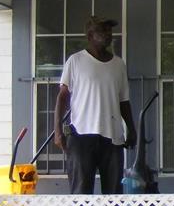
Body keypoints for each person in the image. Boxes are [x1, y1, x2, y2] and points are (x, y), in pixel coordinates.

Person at [54, 15, 137, 194]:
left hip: (113, 137)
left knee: (114, 195)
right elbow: (62, 97)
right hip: (82, 135)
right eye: (102, 31)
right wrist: (58, 131)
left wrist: (131, 128)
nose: (108, 35)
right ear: (90, 35)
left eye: (109, 31)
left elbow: (124, 101)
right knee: (81, 195)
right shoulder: (75, 61)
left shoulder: (118, 65)